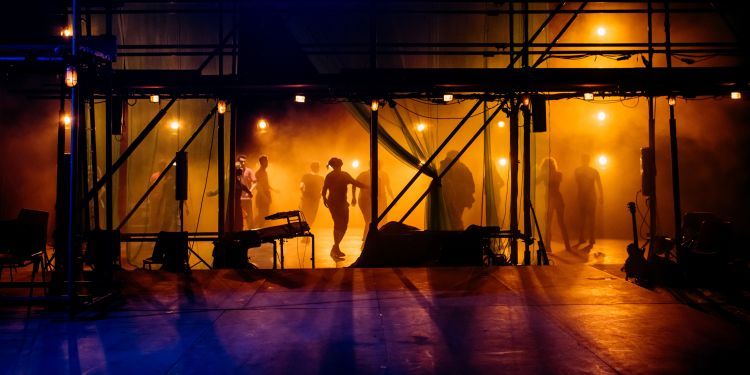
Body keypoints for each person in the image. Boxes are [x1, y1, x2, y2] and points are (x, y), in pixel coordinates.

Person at [322, 157, 367, 259]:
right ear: (340, 164)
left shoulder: (330, 175)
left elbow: (324, 189)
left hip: (335, 203)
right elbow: (355, 183)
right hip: (338, 203)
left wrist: (324, 198)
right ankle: (335, 248)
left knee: (340, 225)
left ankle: (336, 247)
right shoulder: (344, 175)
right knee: (341, 225)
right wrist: (368, 186)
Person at [537, 157, 571, 252]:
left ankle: (548, 246)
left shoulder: (548, 175)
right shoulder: (557, 174)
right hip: (556, 199)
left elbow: (535, 182)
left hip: (551, 199)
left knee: (549, 224)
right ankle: (566, 246)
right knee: (560, 223)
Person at [354, 160, 394, 241]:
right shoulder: (364, 174)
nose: (379, 166)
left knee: (382, 218)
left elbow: (388, 186)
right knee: (369, 220)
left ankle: (373, 237)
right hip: (366, 199)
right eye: (378, 165)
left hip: (381, 199)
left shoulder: (383, 174)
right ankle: (367, 238)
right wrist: (353, 197)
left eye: (380, 165)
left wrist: (392, 197)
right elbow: (355, 184)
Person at [439, 150, 475, 230]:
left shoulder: (461, 168)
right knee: (454, 217)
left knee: (454, 217)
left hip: (458, 197)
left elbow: (470, 184)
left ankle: (455, 234)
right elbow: (471, 185)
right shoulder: (461, 168)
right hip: (453, 196)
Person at [574, 154, 603, 246]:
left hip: (586, 197)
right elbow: (599, 184)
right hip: (588, 197)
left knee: (585, 218)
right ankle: (589, 238)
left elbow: (578, 182)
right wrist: (601, 196)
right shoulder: (593, 171)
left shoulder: (578, 170)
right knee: (589, 218)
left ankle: (585, 237)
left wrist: (601, 196)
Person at [253, 155, 277, 227]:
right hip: (262, 196)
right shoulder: (259, 173)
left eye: (267, 161)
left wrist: (274, 190)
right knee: (262, 216)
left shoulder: (264, 172)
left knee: (264, 215)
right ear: (262, 162)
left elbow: (266, 184)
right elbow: (258, 186)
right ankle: (251, 227)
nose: (267, 163)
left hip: (265, 195)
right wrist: (264, 197)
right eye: (266, 161)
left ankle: (255, 229)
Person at [299, 162, 324, 227]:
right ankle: (306, 229)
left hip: (312, 199)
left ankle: (307, 228)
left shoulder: (320, 178)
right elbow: (301, 187)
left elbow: (301, 187)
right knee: (308, 215)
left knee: (310, 215)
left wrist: (303, 194)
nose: (317, 168)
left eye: (317, 167)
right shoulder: (319, 178)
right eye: (316, 167)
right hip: (309, 199)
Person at [237, 154, 256, 230]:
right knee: (239, 217)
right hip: (238, 199)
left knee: (249, 218)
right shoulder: (235, 172)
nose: (243, 163)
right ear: (238, 162)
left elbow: (255, 182)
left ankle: (250, 234)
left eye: (244, 162)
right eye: (241, 162)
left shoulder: (249, 171)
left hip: (247, 199)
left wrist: (250, 191)